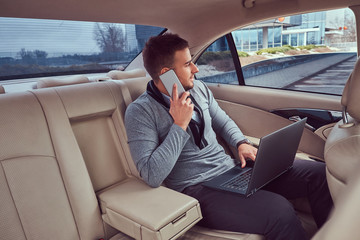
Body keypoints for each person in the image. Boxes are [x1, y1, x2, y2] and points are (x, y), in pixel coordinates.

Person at [124, 33, 333, 240]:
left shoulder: (198, 88)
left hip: (231, 168)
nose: (196, 69)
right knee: (281, 212)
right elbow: (151, 175)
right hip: (198, 189)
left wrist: (240, 143)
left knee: (319, 174)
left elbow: (222, 121)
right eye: (188, 64)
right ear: (166, 73)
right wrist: (179, 125)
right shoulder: (140, 112)